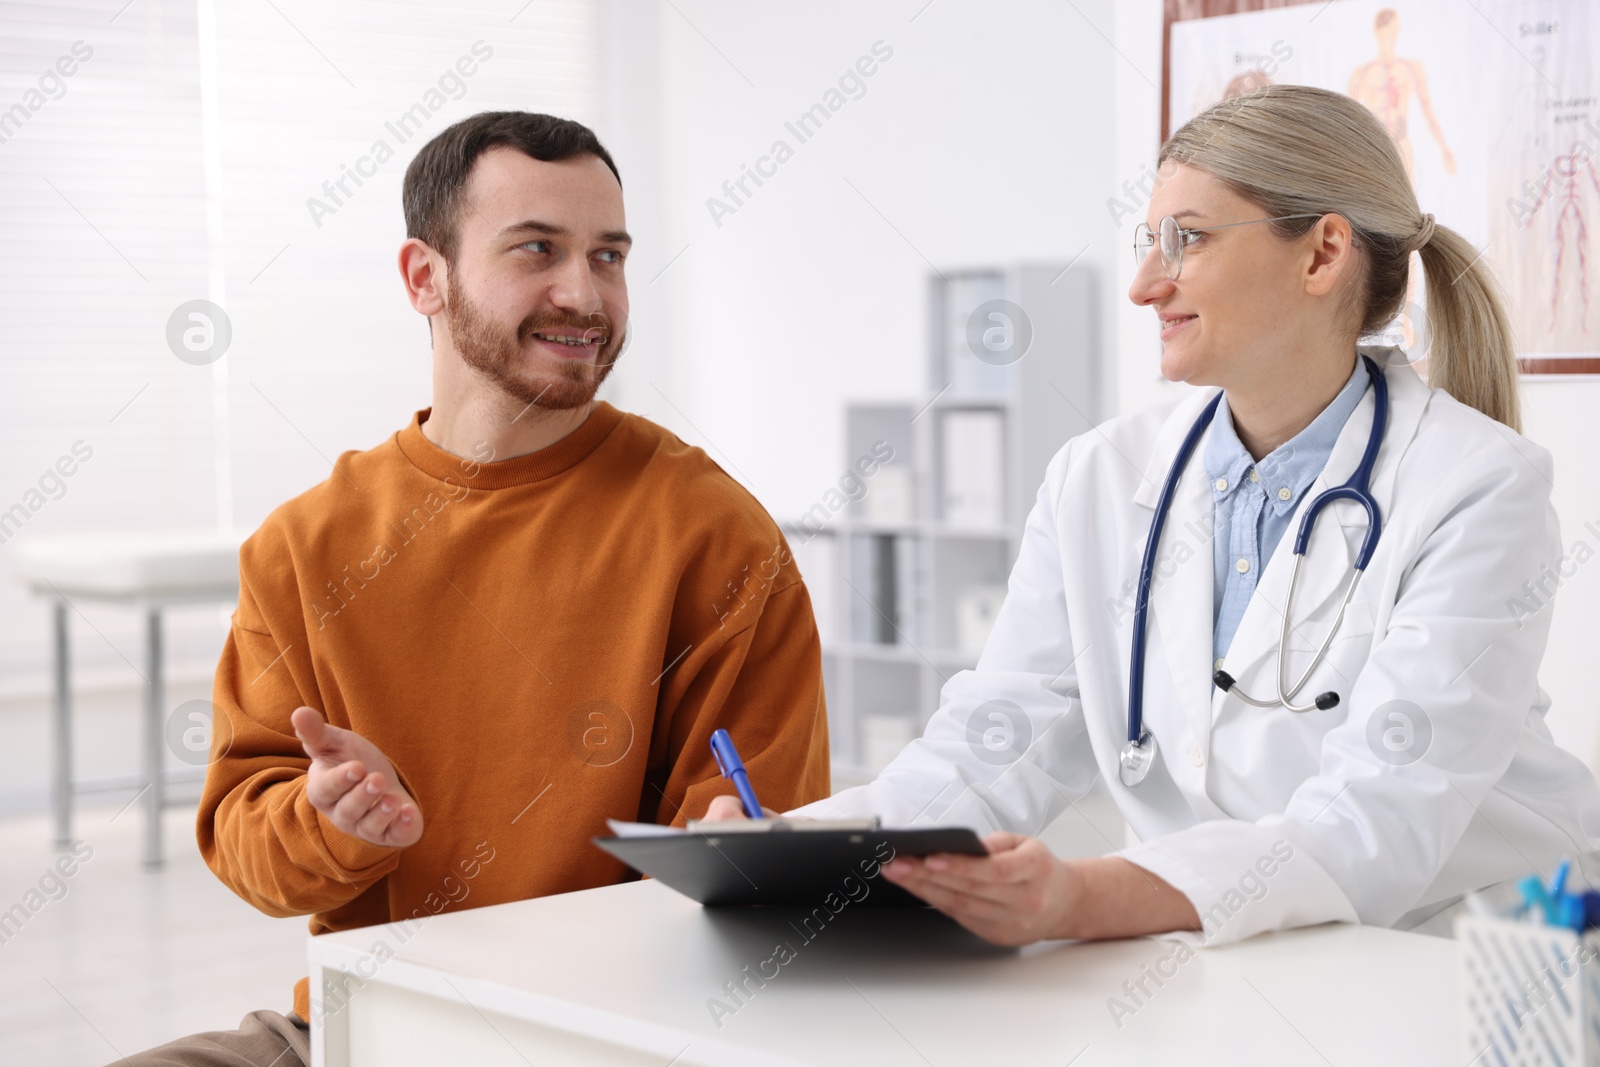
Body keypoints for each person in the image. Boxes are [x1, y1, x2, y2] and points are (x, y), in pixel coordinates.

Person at [705, 84, 1600, 951]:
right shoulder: (1098, 477)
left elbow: (1381, 816)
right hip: (1221, 949)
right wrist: (810, 845)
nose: (1143, 284)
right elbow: (996, 742)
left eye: (1189, 240)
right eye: (1149, 240)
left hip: (1462, 953)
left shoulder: (1478, 486)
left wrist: (1080, 896)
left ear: (1323, 255)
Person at [118, 112, 830, 1066]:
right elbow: (250, 837)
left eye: (608, 256)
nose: (584, 293)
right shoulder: (303, 544)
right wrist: (331, 822)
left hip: (607, 1033)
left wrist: (742, 866)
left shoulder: (715, 534)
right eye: (537, 249)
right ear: (425, 277)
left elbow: (750, 845)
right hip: (361, 1025)